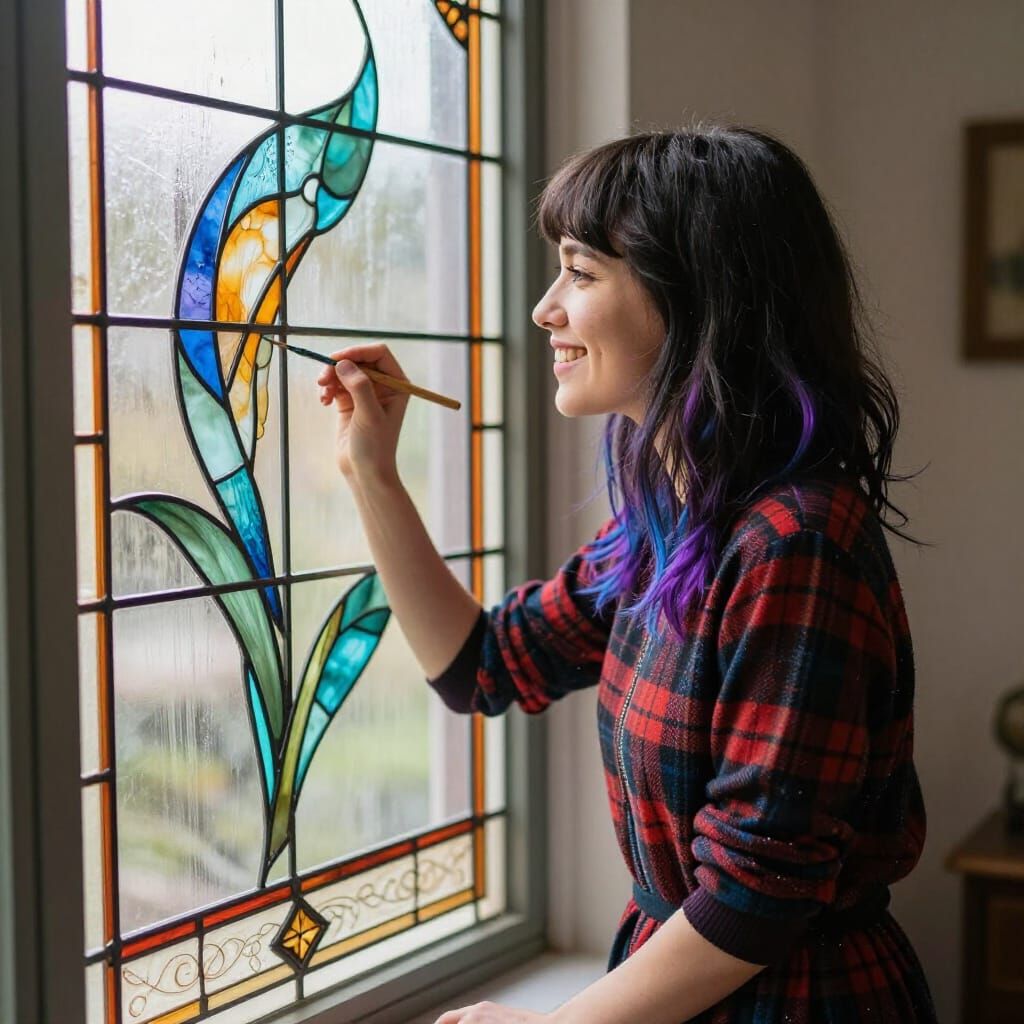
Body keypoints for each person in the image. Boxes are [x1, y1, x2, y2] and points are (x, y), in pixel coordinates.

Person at [316, 125, 939, 1024]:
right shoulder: (671, 522)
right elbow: (483, 663)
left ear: (694, 295)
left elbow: (757, 896)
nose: (545, 308)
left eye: (580, 271)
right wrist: (370, 473)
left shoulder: (797, 541)